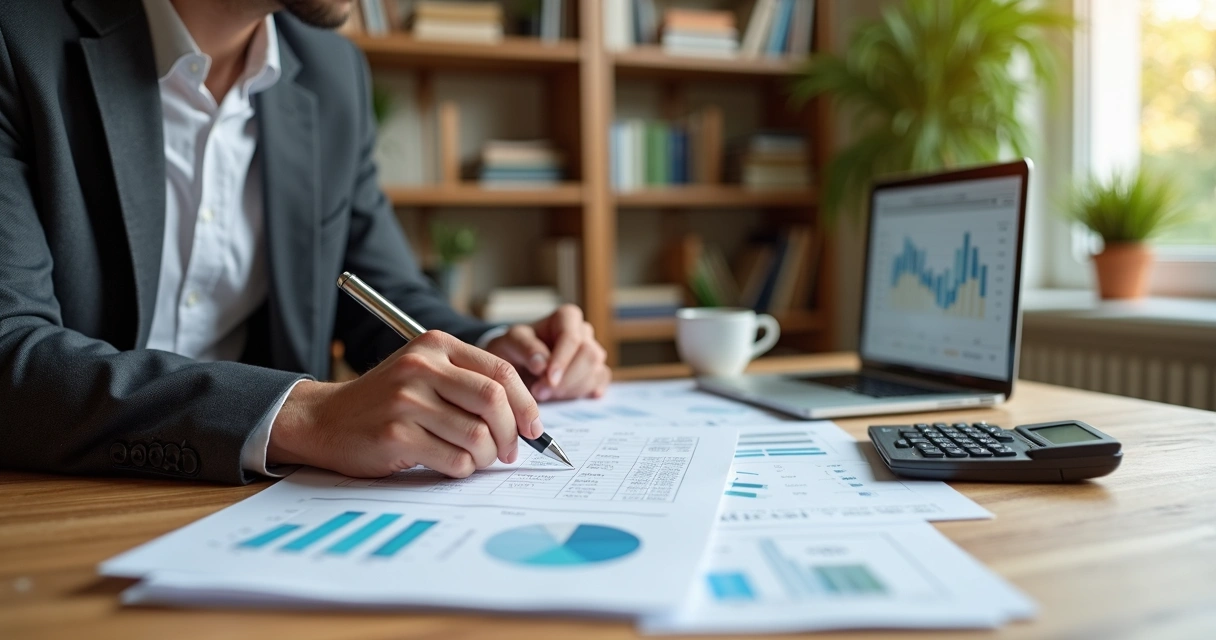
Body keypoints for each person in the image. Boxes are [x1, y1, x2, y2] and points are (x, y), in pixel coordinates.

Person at [0, 0, 610, 485]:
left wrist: (492, 353)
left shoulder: (332, 72)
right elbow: (10, 350)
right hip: (56, 500)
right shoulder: (18, 35)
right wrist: (305, 415)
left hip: (267, 500)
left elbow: (380, 291)